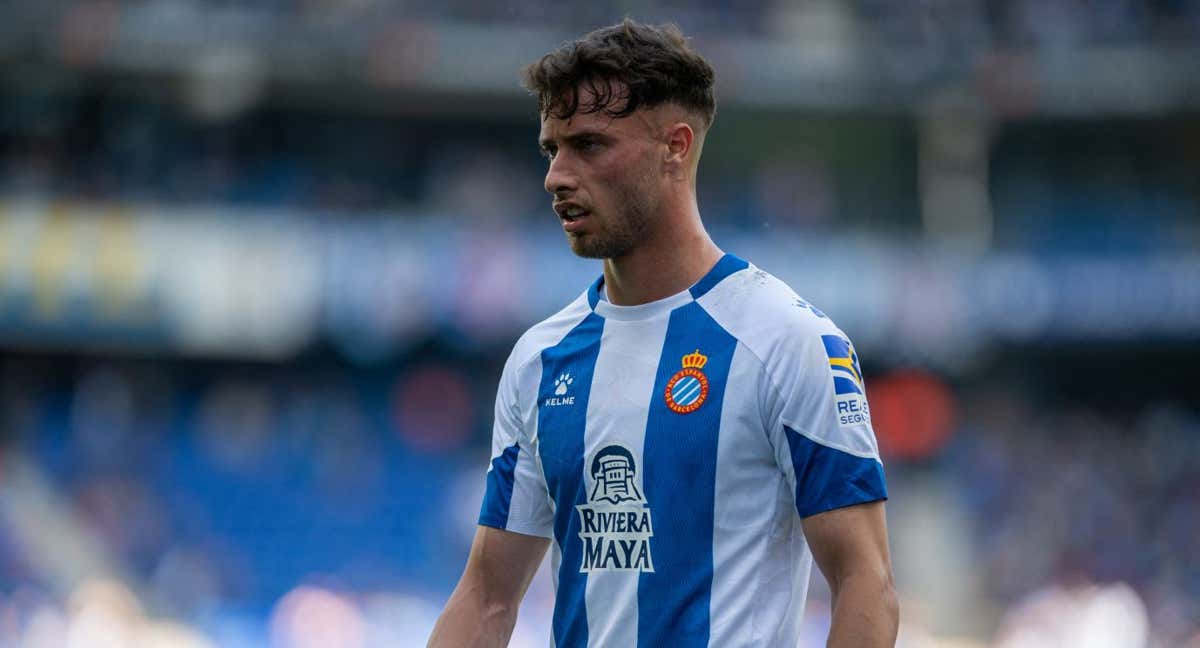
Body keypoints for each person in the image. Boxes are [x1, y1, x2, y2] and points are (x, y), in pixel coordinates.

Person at [429, 18, 897, 648]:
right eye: (552, 149)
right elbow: (486, 598)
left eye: (589, 145)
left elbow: (865, 582)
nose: (557, 176)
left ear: (675, 147)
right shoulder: (541, 359)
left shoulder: (788, 342)